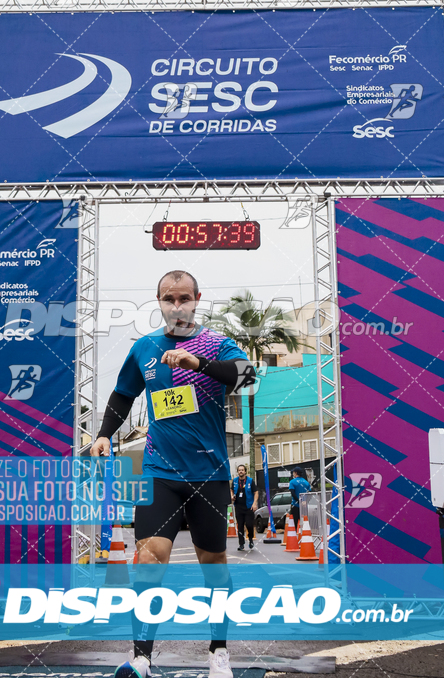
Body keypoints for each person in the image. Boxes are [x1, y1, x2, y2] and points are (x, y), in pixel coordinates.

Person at [90, 270, 256, 678]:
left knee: (213, 562)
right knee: (149, 559)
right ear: (159, 301)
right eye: (169, 297)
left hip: (210, 474)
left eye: (184, 297)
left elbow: (248, 380)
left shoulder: (217, 343)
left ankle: (218, 651)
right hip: (160, 471)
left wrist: (197, 363)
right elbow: (123, 394)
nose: (177, 304)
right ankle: (141, 656)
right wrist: (104, 434)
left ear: (197, 299)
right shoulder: (145, 348)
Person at [231, 464, 258, 550]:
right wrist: (232, 496)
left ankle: (250, 539)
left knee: (249, 525)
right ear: (238, 472)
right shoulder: (235, 481)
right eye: (239, 470)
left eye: (242, 470)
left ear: (245, 471)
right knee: (240, 526)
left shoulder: (250, 481)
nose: (241, 471)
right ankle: (241, 544)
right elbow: (231, 490)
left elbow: (256, 492)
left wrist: (254, 503)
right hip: (239, 507)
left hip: (248, 507)